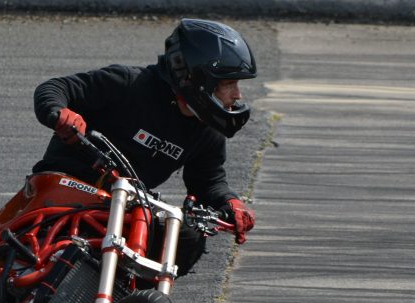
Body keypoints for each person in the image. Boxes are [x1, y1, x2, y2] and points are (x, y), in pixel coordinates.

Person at [31, 18, 258, 275]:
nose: (237, 95)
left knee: (186, 239)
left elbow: (208, 183)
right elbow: (56, 87)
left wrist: (230, 203)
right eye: (229, 83)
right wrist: (59, 113)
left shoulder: (206, 131)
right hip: (62, 189)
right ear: (195, 77)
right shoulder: (128, 84)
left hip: (121, 207)